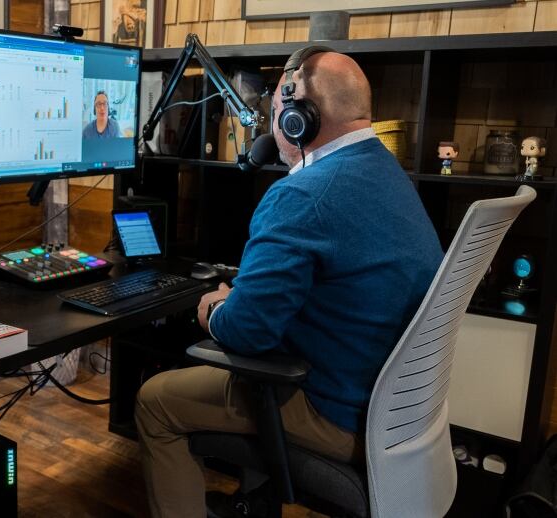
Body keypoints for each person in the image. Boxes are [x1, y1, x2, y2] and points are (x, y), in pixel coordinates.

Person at [134, 49, 444, 518]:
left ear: (300, 116)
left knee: (155, 400)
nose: (271, 117)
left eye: (276, 105)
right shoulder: (386, 171)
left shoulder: (303, 195)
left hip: (336, 412)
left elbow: (248, 332)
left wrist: (217, 309)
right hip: (396, 412)